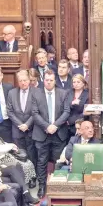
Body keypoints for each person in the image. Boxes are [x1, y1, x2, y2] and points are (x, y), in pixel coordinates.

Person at [32, 70, 70, 198]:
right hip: (42, 133)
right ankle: (42, 186)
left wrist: (55, 125)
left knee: (59, 161)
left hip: (58, 133)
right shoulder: (36, 93)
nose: (48, 82)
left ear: (55, 81)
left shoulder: (63, 93)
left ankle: (58, 186)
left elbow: (66, 112)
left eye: (51, 80)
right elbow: (34, 113)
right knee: (41, 161)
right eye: (46, 80)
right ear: (44, 81)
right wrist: (47, 126)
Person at [7, 70, 38, 175]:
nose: (23, 83)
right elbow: (9, 111)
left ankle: (33, 177)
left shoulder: (36, 92)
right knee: (19, 155)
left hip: (32, 129)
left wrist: (27, 124)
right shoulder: (12, 93)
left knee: (32, 154)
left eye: (25, 80)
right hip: (17, 129)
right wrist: (20, 124)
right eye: (20, 81)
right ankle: (23, 176)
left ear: (29, 80)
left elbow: (37, 111)